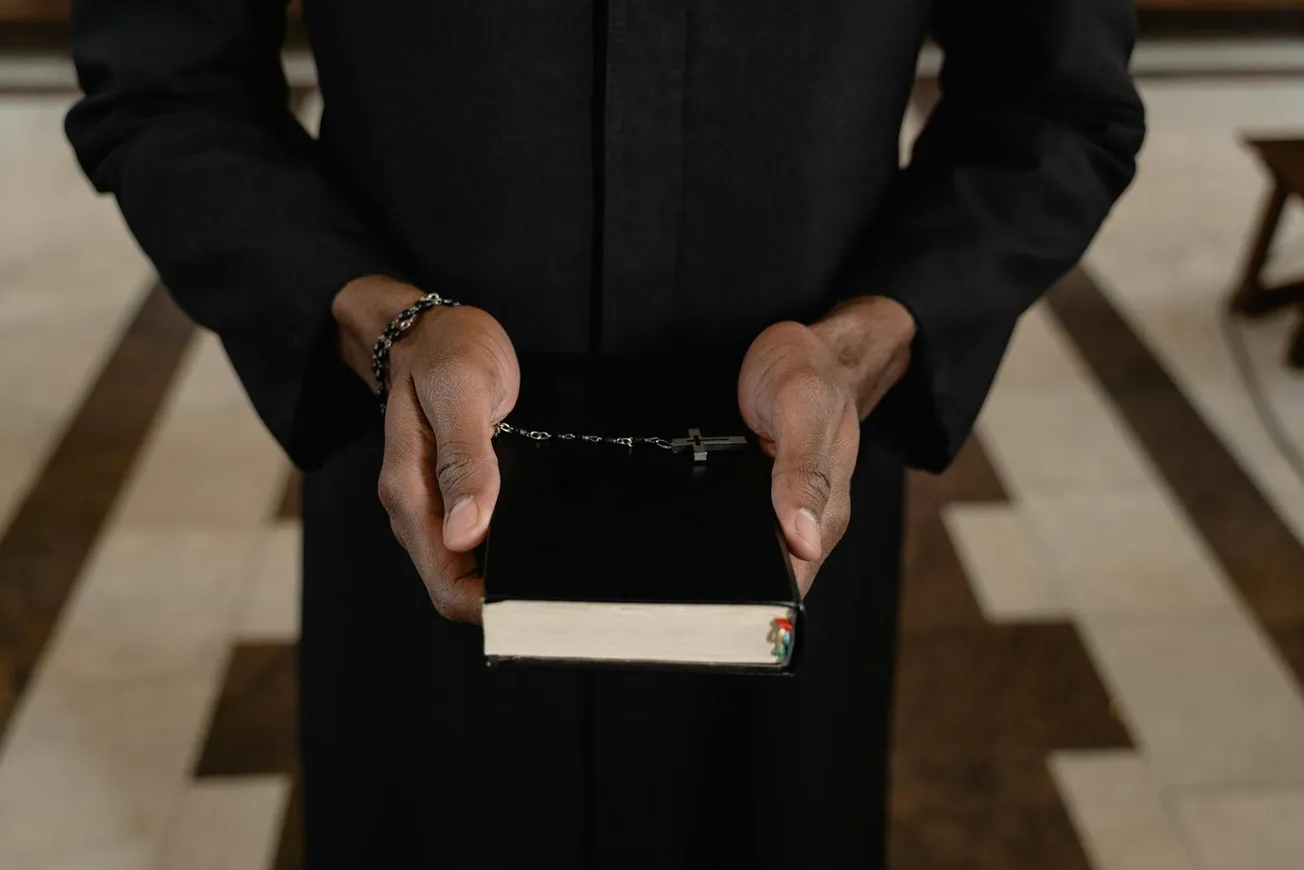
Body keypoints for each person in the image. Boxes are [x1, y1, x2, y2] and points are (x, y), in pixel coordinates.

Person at [65, 2, 1144, 867]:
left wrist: (862, 348)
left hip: (791, 492)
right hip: (419, 489)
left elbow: (1052, 102)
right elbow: (168, 85)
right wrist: (381, 323)